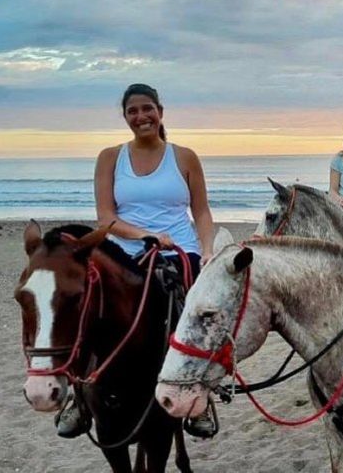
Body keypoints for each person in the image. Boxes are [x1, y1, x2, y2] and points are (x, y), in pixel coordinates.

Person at [56, 83, 216, 438]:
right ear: (126, 117)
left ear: (160, 111)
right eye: (133, 111)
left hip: (178, 249)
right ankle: (79, 398)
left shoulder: (185, 156)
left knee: (193, 316)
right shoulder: (110, 157)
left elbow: (201, 211)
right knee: (85, 308)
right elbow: (105, 218)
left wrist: (206, 249)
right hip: (123, 250)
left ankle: (201, 397)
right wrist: (144, 235)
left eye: (147, 109)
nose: (141, 116)